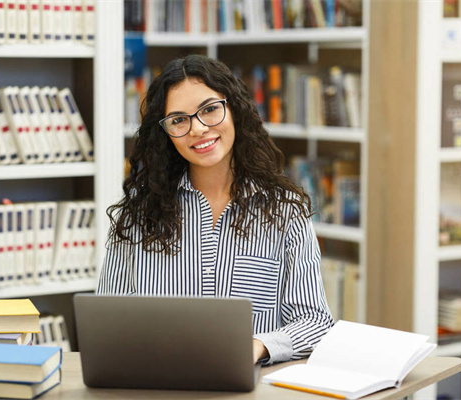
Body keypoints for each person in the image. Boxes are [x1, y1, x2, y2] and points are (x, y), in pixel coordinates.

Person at [97, 54, 333, 365]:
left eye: (209, 110)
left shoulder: (285, 214)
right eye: (179, 119)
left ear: (234, 109)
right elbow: (105, 323)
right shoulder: (139, 215)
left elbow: (316, 323)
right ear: (166, 133)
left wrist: (258, 345)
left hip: (251, 388)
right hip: (158, 385)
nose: (197, 129)